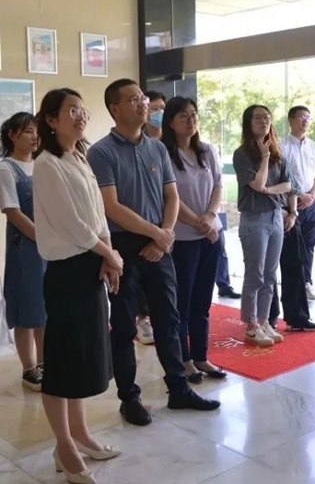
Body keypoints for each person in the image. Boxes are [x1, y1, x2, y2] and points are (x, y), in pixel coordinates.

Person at [87, 79, 220, 427]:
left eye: (143, 98)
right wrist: (157, 234)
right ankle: (129, 398)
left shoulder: (158, 148)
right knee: (124, 325)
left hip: (160, 243)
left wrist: (163, 236)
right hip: (123, 245)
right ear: (115, 108)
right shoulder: (101, 152)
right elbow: (111, 206)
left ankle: (178, 389)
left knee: (168, 319)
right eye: (134, 99)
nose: (143, 104)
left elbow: (171, 196)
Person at [33, 88, 123, 483]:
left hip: (91, 265)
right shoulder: (46, 164)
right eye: (72, 110)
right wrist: (109, 253)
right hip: (67, 272)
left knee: (84, 358)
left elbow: (97, 214)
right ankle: (64, 446)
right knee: (63, 362)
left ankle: (81, 435)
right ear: (51, 120)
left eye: (82, 110)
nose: (80, 115)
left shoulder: (79, 158)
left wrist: (108, 253)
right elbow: (71, 222)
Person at [162, 96, 227, 383]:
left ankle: (201, 356)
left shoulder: (207, 150)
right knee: (183, 303)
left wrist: (210, 217)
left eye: (193, 115)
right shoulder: (164, 154)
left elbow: (218, 186)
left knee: (203, 300)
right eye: (183, 116)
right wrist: (199, 223)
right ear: (170, 122)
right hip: (183, 239)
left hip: (211, 236)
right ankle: (185, 359)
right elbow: (170, 197)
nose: (191, 120)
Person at [233, 104, 290, 347]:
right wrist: (264, 158)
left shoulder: (278, 152)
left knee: (270, 274)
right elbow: (257, 184)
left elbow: (288, 185)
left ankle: (264, 321)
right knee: (254, 273)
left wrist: (269, 190)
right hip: (254, 218)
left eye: (267, 117)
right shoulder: (242, 154)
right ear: (248, 122)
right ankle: (251, 325)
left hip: (275, 216)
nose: (264, 121)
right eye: (258, 118)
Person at [0, 112, 47, 391]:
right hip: (26, 247)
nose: (35, 137)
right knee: (27, 308)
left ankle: (44, 363)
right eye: (28, 131)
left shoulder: (43, 164)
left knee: (45, 308)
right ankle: (29, 368)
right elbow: (13, 212)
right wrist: (42, 237)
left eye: (37, 131)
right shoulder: (6, 168)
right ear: (13, 135)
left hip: (50, 245)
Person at [133, 90, 167, 345]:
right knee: (141, 280)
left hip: (170, 226)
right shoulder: (139, 145)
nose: (159, 113)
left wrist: (166, 232)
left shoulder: (168, 145)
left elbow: (173, 193)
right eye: (154, 108)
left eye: (162, 108)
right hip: (144, 224)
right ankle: (142, 319)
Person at [267, 172, 315, 332]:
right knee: (267, 269)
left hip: (291, 212)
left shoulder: (282, 161)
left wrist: (293, 213)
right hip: (266, 214)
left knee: (295, 263)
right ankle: (268, 317)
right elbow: (260, 189)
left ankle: (297, 317)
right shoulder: (252, 161)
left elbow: (291, 186)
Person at [280, 106, 315, 301]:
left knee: (309, 244)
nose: (306, 120)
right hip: (291, 203)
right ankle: (293, 286)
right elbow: (283, 177)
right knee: (292, 248)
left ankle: (306, 282)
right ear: (291, 120)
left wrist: (311, 194)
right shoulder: (282, 147)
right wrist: (300, 195)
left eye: (308, 117)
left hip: (312, 203)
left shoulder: (313, 146)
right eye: (302, 117)